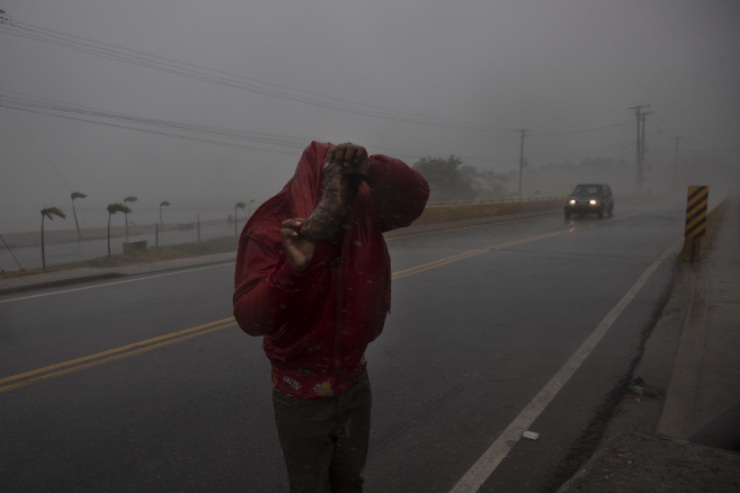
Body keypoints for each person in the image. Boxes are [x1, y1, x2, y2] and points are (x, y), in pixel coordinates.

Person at [233, 141, 429, 492]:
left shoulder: (363, 207)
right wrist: (294, 270)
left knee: (349, 480)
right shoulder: (271, 227)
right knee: (310, 487)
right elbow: (252, 318)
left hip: (354, 380)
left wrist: (374, 168)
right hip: (299, 392)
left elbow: (413, 200)